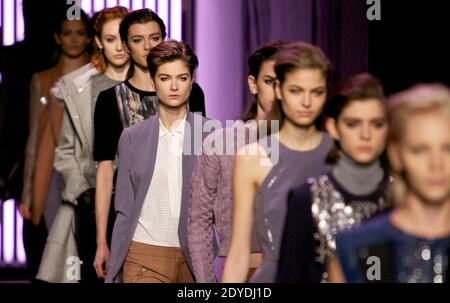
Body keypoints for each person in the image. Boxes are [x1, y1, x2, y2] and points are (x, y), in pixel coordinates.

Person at [94, 10, 205, 279]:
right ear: (125, 44)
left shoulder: (194, 94)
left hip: (184, 233)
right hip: (134, 222)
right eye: (137, 39)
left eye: (154, 38)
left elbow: (197, 162)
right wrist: (102, 241)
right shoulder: (110, 100)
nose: (147, 47)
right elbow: (105, 170)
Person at [222, 42, 334, 282]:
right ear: (280, 90)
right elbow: (238, 254)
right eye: (296, 90)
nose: (306, 102)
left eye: (317, 92)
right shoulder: (252, 157)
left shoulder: (339, 155)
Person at [36, 6, 130, 283]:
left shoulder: (150, 85)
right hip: (92, 204)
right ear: (98, 41)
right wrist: (81, 189)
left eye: (124, 37)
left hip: (139, 203)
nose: (119, 47)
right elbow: (65, 150)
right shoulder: (81, 88)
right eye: (110, 39)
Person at [276, 73, 391, 283]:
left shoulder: (404, 196)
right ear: (333, 128)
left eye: (376, 124)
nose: (365, 134)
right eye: (353, 124)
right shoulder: (305, 199)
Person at [187, 41, 284, 282]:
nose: (278, 92)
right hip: (237, 274)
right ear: (253, 83)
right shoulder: (221, 143)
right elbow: (199, 219)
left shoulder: (310, 144)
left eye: (285, 82)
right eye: (270, 82)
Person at [334, 83, 450, 283]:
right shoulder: (357, 247)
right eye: (420, 150)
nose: (436, 164)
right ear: (396, 155)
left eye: (448, 148)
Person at [19, 9, 92, 280]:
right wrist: (27, 193)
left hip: (89, 170)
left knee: (84, 245)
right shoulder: (42, 80)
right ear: (57, 38)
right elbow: (34, 138)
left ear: (88, 38)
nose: (73, 39)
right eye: (67, 33)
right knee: (53, 246)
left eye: (80, 33)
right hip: (50, 173)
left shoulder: (101, 78)